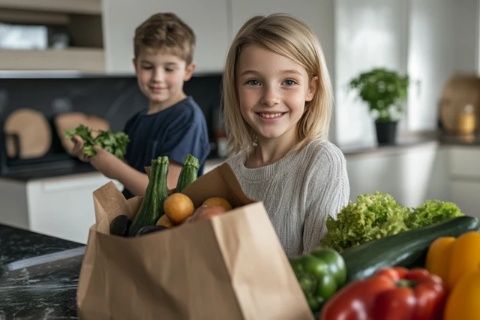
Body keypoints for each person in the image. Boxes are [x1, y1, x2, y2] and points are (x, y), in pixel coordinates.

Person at [222, 14, 350, 257]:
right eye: (253, 82)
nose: (270, 98)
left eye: (288, 81)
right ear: (235, 87)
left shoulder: (321, 162)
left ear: (311, 88)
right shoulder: (228, 174)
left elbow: (321, 270)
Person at [71, 13, 211, 198]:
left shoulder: (187, 118)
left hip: (169, 227)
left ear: (187, 71)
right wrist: (95, 154)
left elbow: (166, 194)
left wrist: (116, 169)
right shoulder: (136, 122)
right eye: (147, 67)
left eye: (169, 69)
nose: (157, 77)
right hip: (134, 225)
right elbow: (131, 174)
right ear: (136, 66)